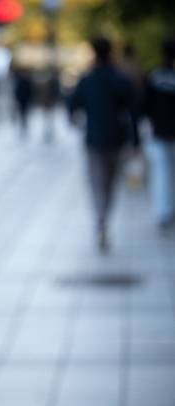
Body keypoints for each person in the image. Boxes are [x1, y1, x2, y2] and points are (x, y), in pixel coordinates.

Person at [68, 36, 139, 253]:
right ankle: (104, 217)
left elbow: (72, 103)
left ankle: (101, 219)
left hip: (94, 139)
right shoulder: (120, 79)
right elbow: (133, 112)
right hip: (116, 139)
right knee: (110, 183)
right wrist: (135, 140)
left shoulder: (87, 79)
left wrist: (75, 119)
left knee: (96, 182)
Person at [144, 38, 175, 231]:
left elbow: (145, 106)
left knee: (161, 174)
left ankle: (163, 211)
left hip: (159, 133)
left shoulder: (154, 77)